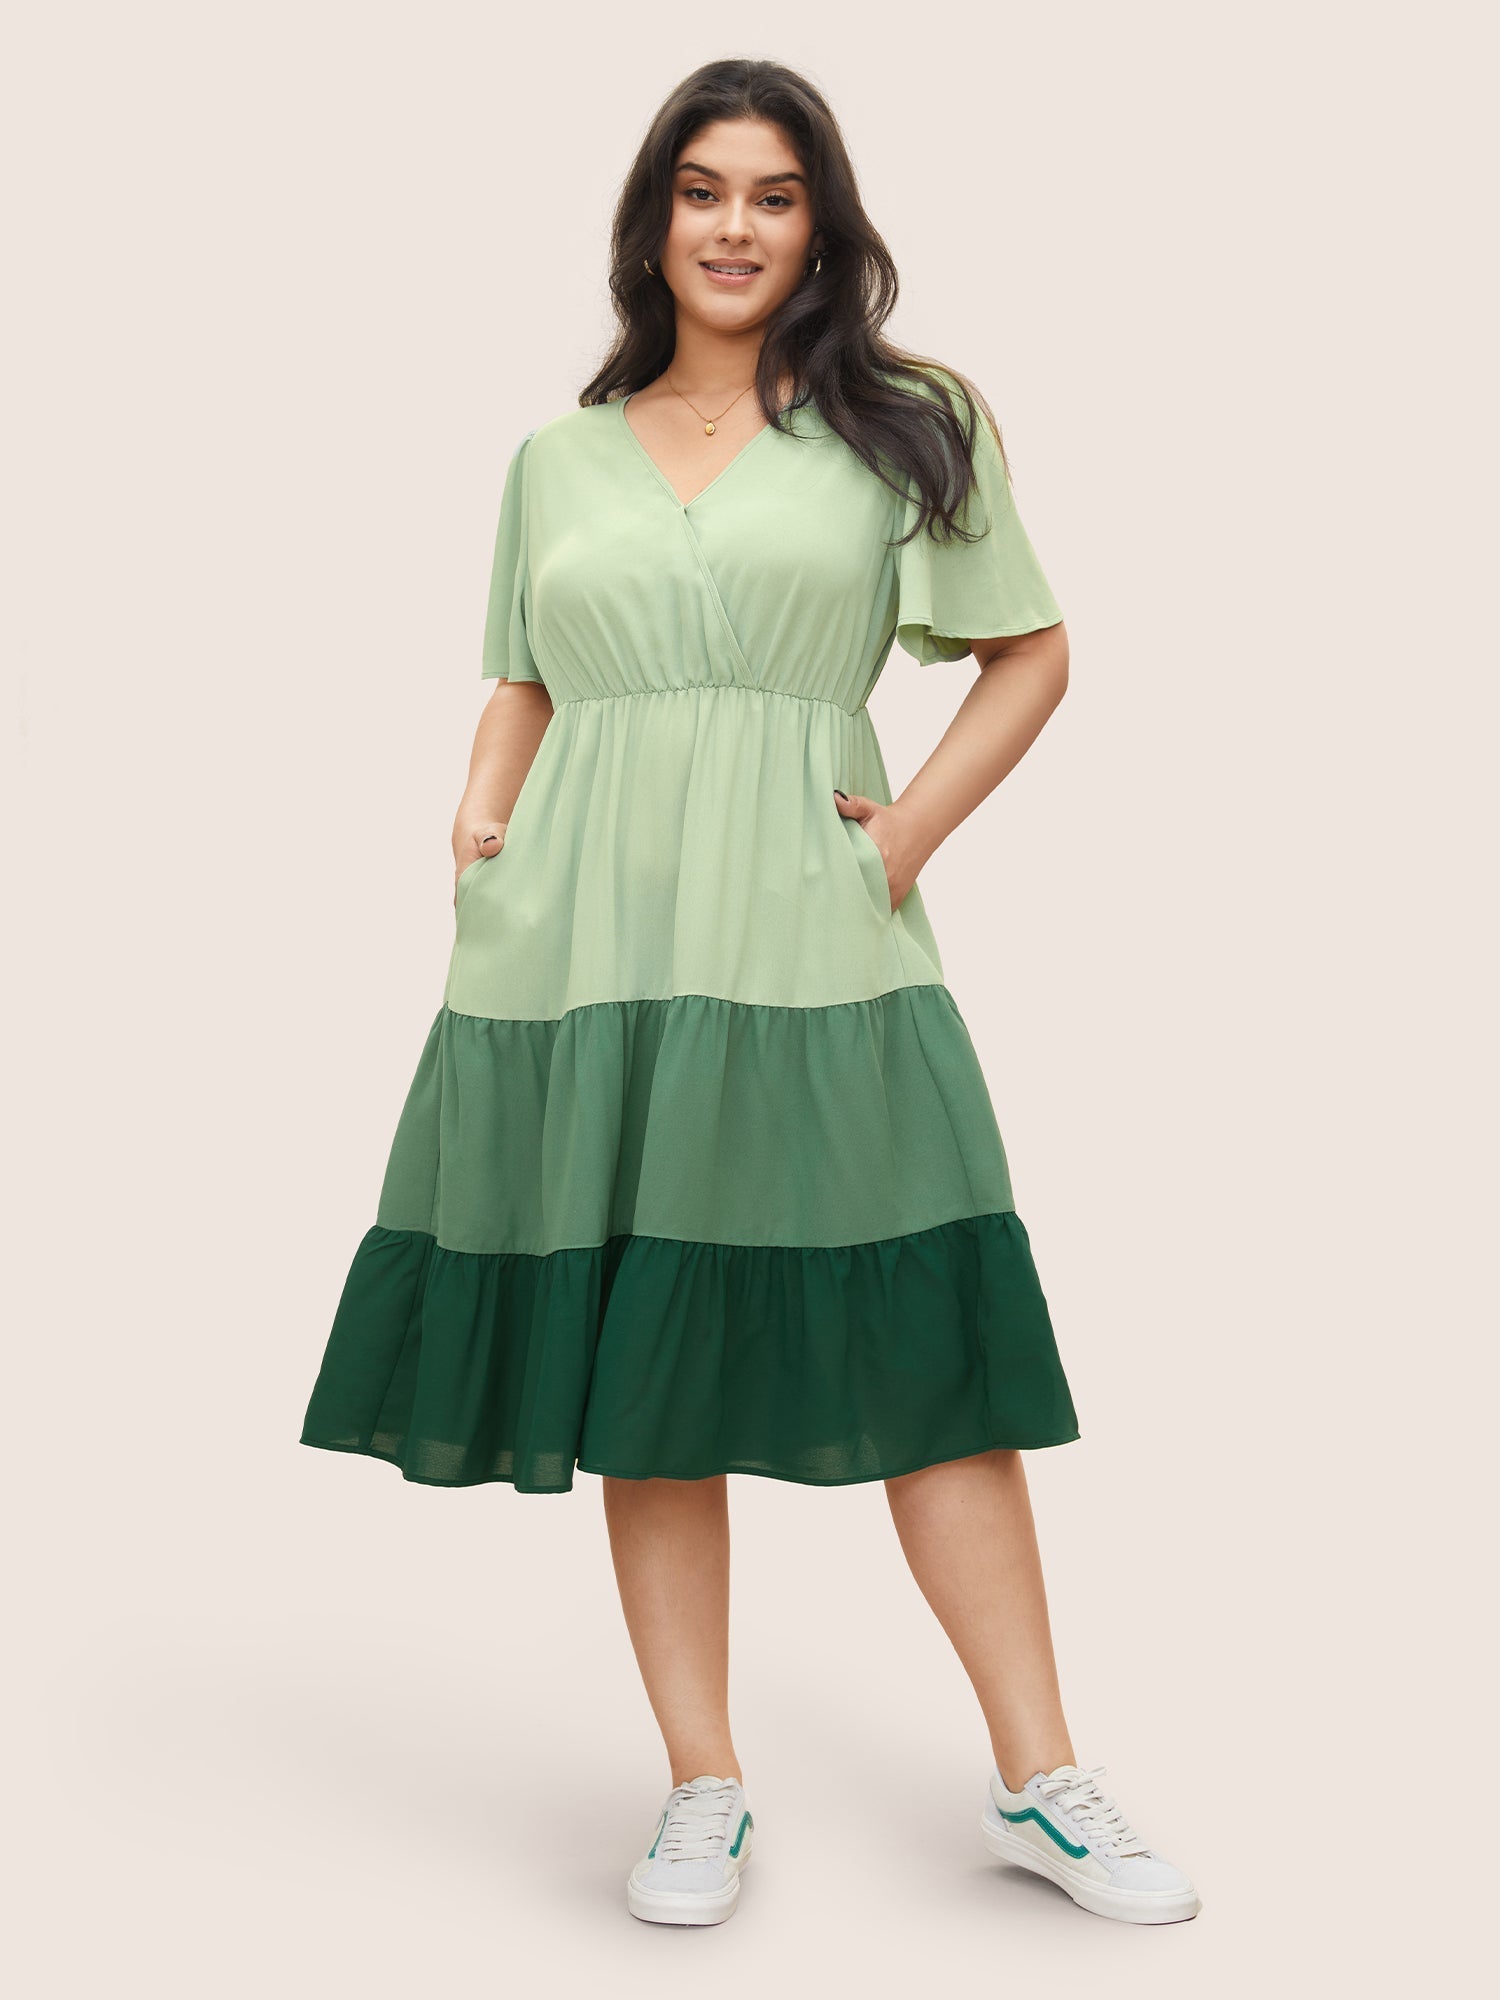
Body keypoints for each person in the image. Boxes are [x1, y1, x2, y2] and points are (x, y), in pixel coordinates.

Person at [298, 56, 1200, 1930]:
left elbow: (1033, 651)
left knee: (933, 1340)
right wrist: (476, 815)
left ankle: (1042, 1777)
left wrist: (903, 840)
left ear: (821, 226)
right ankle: (703, 1782)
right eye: (702, 191)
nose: (734, 226)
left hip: (809, 933)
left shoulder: (910, 422)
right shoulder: (558, 456)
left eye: (774, 196)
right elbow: (525, 677)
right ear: (653, 223)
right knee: (648, 1357)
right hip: (583, 950)